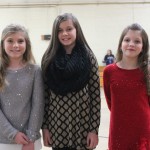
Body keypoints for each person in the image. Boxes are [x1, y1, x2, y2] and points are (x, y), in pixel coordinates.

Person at [41, 13, 101, 150]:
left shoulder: (88, 56)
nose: (65, 34)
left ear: (77, 30)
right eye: (60, 30)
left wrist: (94, 130)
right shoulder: (48, 58)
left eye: (69, 29)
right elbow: (44, 96)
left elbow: (95, 96)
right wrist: (45, 127)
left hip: (83, 126)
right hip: (57, 127)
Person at [103, 23, 150, 150]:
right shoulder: (109, 72)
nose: (131, 44)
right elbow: (110, 102)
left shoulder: (147, 72)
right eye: (127, 40)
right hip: (118, 129)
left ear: (143, 47)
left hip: (142, 130)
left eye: (137, 41)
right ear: (120, 44)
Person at [0, 24, 44, 150]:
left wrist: (30, 137)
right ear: (3, 44)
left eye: (20, 41)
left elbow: (38, 105)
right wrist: (13, 134)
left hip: (30, 141)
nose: (15, 45)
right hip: (3, 140)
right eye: (10, 41)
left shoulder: (35, 71)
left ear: (27, 44)